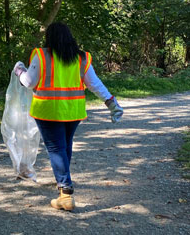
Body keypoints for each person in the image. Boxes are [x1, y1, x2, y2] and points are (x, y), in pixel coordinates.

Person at [13, 22, 123, 211]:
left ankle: (65, 192)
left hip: (47, 111)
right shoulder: (81, 58)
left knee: (56, 148)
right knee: (64, 147)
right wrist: (111, 102)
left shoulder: (41, 55)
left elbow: (29, 82)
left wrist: (19, 70)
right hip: (73, 112)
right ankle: (63, 181)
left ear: (50, 37)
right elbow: (94, 83)